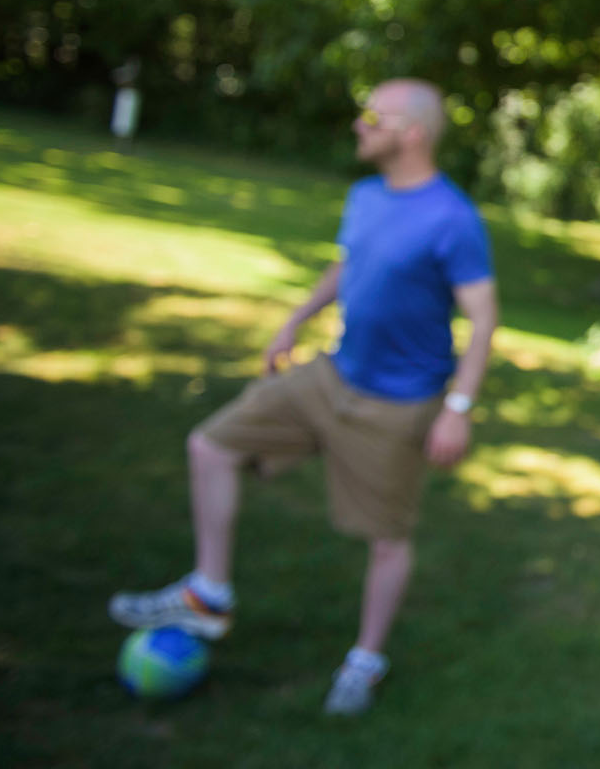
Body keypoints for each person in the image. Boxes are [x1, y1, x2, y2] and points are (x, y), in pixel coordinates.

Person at [108, 79, 500, 716]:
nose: (358, 125)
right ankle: (210, 592)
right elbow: (348, 265)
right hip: (329, 377)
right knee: (210, 446)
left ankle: (366, 660)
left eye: (373, 115)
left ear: (413, 134)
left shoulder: (453, 219)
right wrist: (297, 318)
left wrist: (458, 408)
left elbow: (483, 318)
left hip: (397, 407)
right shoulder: (367, 195)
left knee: (388, 539)